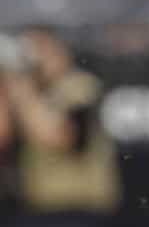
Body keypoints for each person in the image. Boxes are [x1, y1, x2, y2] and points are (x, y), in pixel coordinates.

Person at [2, 29, 121, 226]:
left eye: (41, 50)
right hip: (35, 208)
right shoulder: (30, 91)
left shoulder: (80, 86)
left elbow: (59, 136)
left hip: (78, 208)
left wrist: (20, 87)